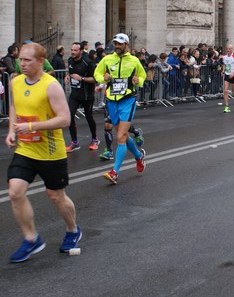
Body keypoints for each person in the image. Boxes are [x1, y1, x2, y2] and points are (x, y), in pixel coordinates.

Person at [6, 42, 81, 263]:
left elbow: (65, 119)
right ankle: (31, 239)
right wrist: (12, 130)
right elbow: (14, 107)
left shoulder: (51, 86)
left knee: (56, 196)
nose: (22, 64)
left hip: (50, 150)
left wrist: (31, 127)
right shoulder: (16, 82)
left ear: (40, 61)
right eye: (20, 60)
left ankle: (72, 230)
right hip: (25, 149)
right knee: (15, 192)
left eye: (27, 60)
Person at [93, 33, 146, 184]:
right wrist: (104, 78)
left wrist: (138, 81)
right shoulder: (108, 59)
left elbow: (143, 76)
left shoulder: (134, 60)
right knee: (122, 135)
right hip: (111, 101)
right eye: (115, 43)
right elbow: (97, 73)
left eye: (120, 44)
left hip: (127, 100)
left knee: (120, 136)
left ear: (126, 45)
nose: (117, 46)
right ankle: (138, 155)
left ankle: (114, 172)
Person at [65, 42, 99, 152]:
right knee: (69, 116)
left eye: (75, 50)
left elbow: (95, 79)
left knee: (89, 117)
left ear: (80, 51)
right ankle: (75, 142)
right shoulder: (70, 60)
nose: (73, 52)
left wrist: (82, 79)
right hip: (75, 94)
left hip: (87, 95)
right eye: (72, 50)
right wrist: (67, 76)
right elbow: (71, 72)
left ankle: (94, 139)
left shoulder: (87, 62)